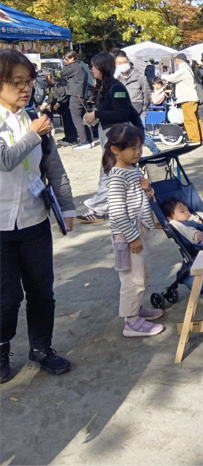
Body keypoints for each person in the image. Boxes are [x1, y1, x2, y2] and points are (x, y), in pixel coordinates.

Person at [0, 50, 75, 383]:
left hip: (34, 220)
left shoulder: (33, 118)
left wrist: (67, 206)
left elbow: (54, 169)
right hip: (0, 227)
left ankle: (41, 348)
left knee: (42, 290)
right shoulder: (33, 126)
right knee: (6, 296)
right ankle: (1, 350)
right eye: (16, 82)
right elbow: (4, 160)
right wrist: (34, 132)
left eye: (28, 82)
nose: (25, 89)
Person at [103, 123, 165, 338]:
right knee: (133, 278)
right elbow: (117, 212)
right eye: (132, 148)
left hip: (139, 231)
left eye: (139, 147)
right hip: (128, 235)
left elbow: (140, 200)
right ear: (115, 150)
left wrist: (148, 189)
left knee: (143, 274)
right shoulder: (117, 176)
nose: (138, 152)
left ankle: (136, 309)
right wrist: (132, 238)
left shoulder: (133, 169)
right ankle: (131, 322)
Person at [76, 53, 143, 224]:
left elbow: (121, 114)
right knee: (113, 171)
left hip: (116, 135)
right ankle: (111, 206)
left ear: (104, 67)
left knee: (109, 171)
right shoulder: (104, 86)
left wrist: (97, 114)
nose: (91, 69)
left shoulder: (116, 87)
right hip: (108, 133)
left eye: (94, 66)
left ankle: (98, 209)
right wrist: (94, 117)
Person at [115, 51, 159, 154]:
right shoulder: (116, 79)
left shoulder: (140, 77)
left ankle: (155, 151)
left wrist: (144, 108)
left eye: (124, 62)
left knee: (141, 135)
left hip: (139, 110)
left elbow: (146, 92)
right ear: (116, 65)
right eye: (119, 63)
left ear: (129, 62)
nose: (123, 65)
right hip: (123, 112)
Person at [161, 53, 203, 143]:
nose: (175, 62)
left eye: (176, 60)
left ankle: (194, 139)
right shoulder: (187, 68)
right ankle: (200, 136)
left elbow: (172, 78)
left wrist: (163, 76)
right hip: (191, 97)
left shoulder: (183, 69)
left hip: (187, 97)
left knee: (189, 119)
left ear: (178, 60)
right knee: (195, 118)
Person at [61, 50, 93, 149]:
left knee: (77, 120)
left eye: (65, 59)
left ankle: (84, 142)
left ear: (71, 58)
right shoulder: (81, 66)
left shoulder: (74, 67)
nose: (64, 61)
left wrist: (67, 65)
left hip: (76, 95)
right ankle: (89, 140)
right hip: (82, 95)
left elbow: (62, 73)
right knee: (84, 118)